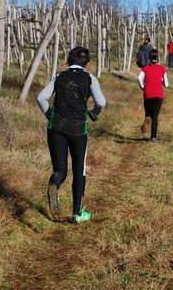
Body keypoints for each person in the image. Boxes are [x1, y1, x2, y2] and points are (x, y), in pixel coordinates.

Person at [37, 46, 106, 224]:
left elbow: (41, 97)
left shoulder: (59, 76)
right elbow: (101, 102)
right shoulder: (89, 78)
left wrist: (50, 115)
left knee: (60, 171)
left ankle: (54, 184)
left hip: (56, 128)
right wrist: (95, 113)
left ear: (68, 62)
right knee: (79, 170)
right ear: (87, 64)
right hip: (78, 129)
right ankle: (77, 213)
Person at [138, 49, 168, 141]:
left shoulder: (145, 68)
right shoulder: (162, 68)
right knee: (155, 116)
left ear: (149, 57)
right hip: (158, 95)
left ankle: (147, 120)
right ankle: (153, 137)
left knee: (148, 113)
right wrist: (161, 81)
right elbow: (166, 84)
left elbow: (139, 78)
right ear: (158, 57)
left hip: (148, 93)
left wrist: (143, 87)